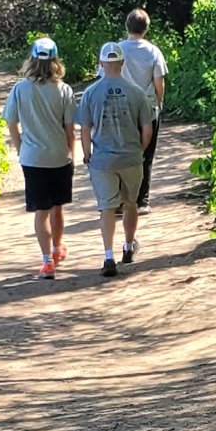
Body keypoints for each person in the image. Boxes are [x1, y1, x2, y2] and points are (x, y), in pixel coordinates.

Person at [73, 39, 154, 278]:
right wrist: (139, 150)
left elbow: (85, 129)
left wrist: (87, 154)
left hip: (103, 160)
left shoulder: (90, 93)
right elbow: (147, 129)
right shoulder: (137, 92)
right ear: (122, 62)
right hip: (131, 158)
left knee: (107, 207)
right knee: (131, 203)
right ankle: (128, 246)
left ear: (101, 63)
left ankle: (108, 256)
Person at [2, 36, 77, 278]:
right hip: (59, 156)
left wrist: (20, 147)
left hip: (32, 158)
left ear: (32, 59)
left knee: (41, 211)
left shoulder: (20, 89)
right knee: (57, 208)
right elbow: (70, 129)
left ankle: (47, 261)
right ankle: (57, 248)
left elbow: (11, 122)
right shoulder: (64, 90)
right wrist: (72, 155)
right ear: (55, 60)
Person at [116, 7, 169, 208]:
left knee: (122, 154)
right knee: (146, 155)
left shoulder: (117, 50)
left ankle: (121, 201)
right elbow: (159, 82)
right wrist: (159, 102)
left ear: (127, 26)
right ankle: (142, 200)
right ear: (146, 28)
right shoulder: (153, 51)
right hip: (147, 108)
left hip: (121, 108)